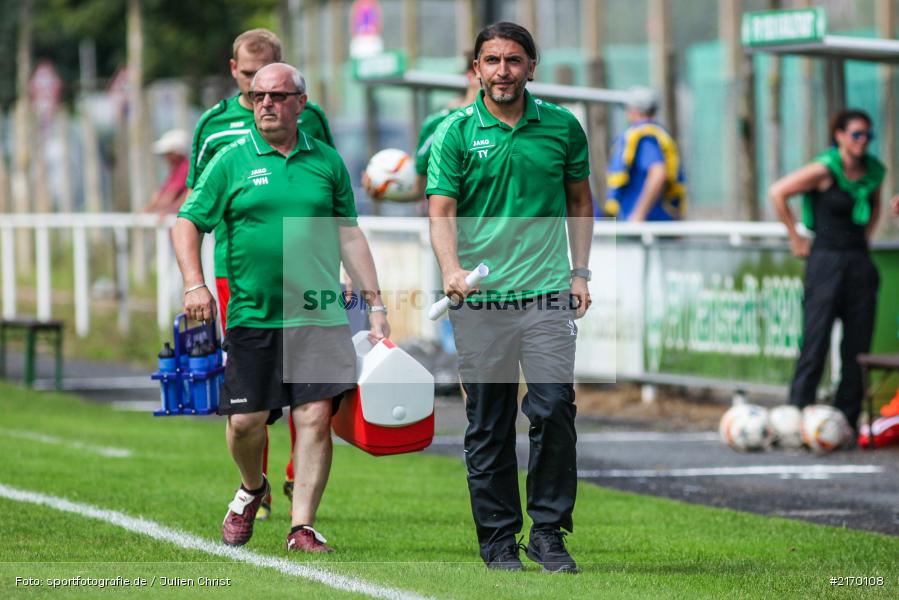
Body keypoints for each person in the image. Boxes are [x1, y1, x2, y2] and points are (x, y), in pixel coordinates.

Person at [174, 62, 389, 552]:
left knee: (314, 417)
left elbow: (349, 233)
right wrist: (195, 284)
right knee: (246, 423)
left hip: (318, 312)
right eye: (256, 96)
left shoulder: (327, 162)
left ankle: (302, 526)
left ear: (301, 103)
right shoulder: (230, 160)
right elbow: (187, 223)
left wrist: (375, 303)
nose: (265, 104)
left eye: (276, 95)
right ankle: (253, 487)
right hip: (254, 313)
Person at [427, 22, 593, 573]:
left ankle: (548, 533)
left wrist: (580, 273)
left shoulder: (563, 127)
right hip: (480, 299)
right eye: (492, 60)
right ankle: (499, 539)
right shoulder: (455, 132)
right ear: (476, 68)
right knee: (489, 422)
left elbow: (580, 201)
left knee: (553, 409)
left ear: (531, 66)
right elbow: (441, 210)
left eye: (514, 60)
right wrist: (450, 269)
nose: (503, 71)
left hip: (547, 291)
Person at [186, 28, 336, 520]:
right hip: (239, 270)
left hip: (309, 282)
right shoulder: (214, 128)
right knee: (251, 401)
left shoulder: (311, 121)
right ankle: (258, 487)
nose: (261, 95)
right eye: (251, 83)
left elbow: (327, 193)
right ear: (236, 74)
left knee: (311, 400)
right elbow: (197, 203)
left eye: (270, 83)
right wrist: (197, 281)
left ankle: (298, 483)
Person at [769, 109, 885, 432]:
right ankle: (797, 413)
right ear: (840, 136)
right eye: (857, 134)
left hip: (858, 261)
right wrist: (796, 236)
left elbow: (873, 207)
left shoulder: (872, 173)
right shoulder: (825, 169)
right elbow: (778, 193)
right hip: (825, 259)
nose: (863, 141)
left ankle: (845, 419)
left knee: (857, 344)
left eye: (867, 135)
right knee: (816, 339)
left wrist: (865, 238)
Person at [603, 86, 686, 221]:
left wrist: (638, 215)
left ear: (634, 110)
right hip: (652, 226)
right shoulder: (656, 135)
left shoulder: (645, 138)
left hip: (647, 229)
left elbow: (658, 173)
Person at [144, 129, 190, 214]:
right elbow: (161, 194)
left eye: (168, 154)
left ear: (176, 153)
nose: (165, 158)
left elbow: (171, 195)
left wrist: (166, 210)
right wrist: (145, 212)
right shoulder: (175, 171)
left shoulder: (185, 169)